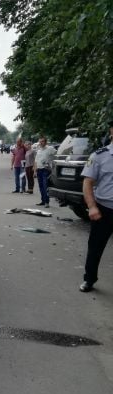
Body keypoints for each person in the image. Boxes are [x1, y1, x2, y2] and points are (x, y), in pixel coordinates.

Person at [79, 119, 113, 292]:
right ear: (111, 131)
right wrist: (92, 207)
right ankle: (89, 279)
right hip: (104, 210)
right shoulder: (99, 156)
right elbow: (88, 183)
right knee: (95, 247)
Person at [34, 136, 56, 207]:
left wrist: (51, 164)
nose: (41, 143)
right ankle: (43, 201)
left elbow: (57, 155)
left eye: (42, 141)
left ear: (45, 142)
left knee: (45, 186)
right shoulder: (39, 150)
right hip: (39, 170)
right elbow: (36, 161)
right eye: (40, 141)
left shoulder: (50, 148)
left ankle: (47, 202)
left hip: (46, 170)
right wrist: (35, 171)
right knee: (41, 186)